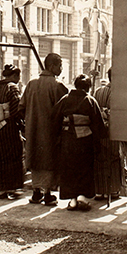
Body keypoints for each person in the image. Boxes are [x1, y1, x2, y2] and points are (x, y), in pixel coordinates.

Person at [18, 52, 68, 206]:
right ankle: (47, 194)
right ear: (52, 67)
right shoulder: (57, 86)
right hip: (50, 132)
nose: (61, 69)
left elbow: (21, 107)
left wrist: (29, 121)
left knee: (34, 159)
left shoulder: (31, 84)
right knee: (48, 160)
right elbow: (65, 109)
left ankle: (36, 192)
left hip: (33, 130)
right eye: (59, 65)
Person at [52, 74, 106, 211]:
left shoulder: (65, 99)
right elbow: (97, 124)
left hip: (67, 139)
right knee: (84, 168)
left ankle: (73, 200)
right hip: (85, 140)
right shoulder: (90, 100)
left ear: (75, 85)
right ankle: (82, 197)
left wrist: (58, 136)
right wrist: (98, 142)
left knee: (69, 169)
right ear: (88, 87)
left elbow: (54, 118)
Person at [0, 64, 25, 199]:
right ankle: (12, 189)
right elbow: (16, 109)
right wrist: (21, 124)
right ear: (15, 76)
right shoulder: (12, 87)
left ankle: (0, 189)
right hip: (9, 127)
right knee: (13, 156)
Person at [93, 68, 127, 200]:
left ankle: (100, 191)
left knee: (100, 160)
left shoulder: (98, 91)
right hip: (113, 131)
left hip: (99, 131)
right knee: (114, 160)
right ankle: (113, 191)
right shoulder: (119, 94)